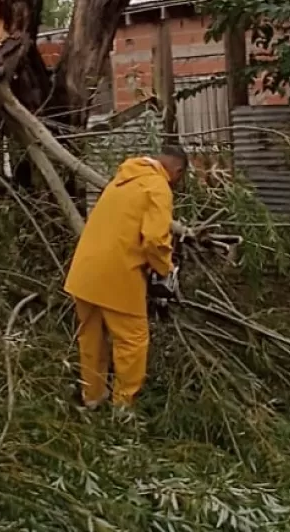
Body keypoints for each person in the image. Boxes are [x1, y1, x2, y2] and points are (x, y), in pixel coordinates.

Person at [63, 145, 189, 410]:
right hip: (117, 276)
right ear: (177, 170)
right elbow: (155, 240)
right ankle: (123, 407)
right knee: (132, 340)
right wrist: (165, 271)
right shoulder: (157, 187)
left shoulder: (123, 179)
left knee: (91, 338)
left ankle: (93, 398)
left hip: (84, 273)